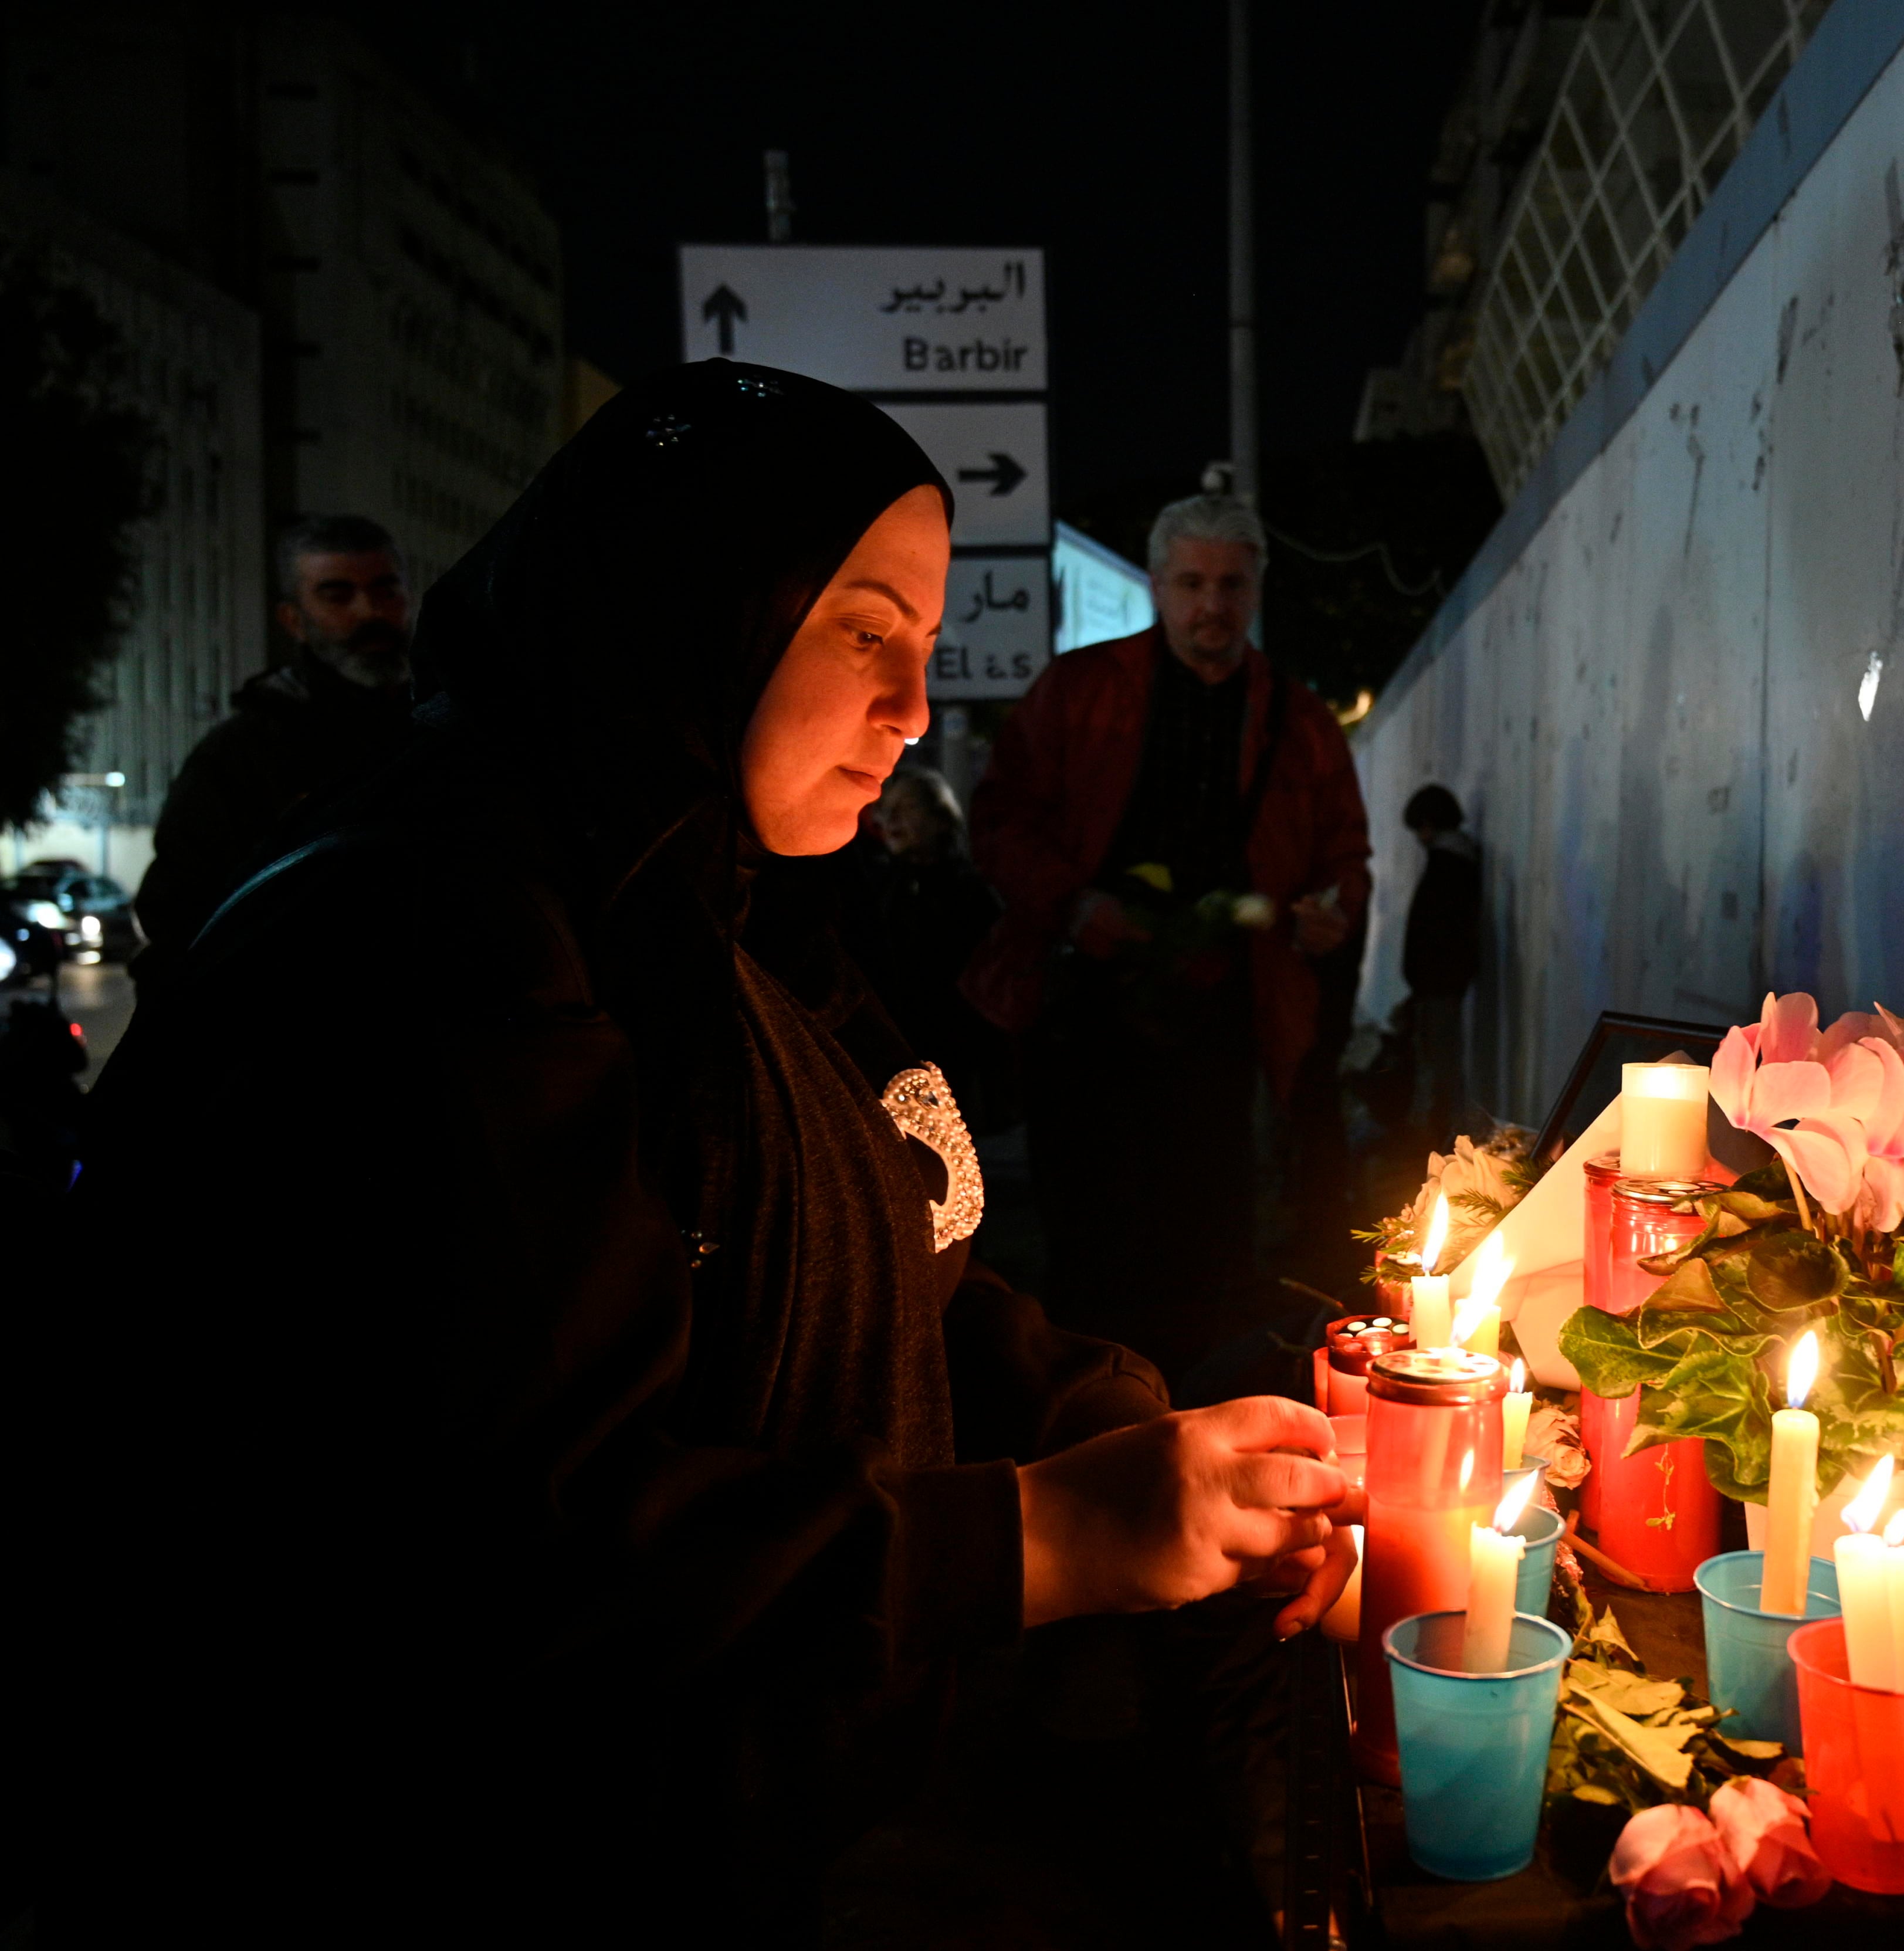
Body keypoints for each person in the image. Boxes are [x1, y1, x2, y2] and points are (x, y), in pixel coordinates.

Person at [66, 364, 1357, 1949]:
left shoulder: (723, 904)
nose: (906, 707)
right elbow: (515, 1544)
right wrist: (1043, 1534)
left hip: (758, 1822)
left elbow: (904, 1236)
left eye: (927, 649)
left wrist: (1159, 1443)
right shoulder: (443, 940)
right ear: (696, 604)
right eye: (861, 628)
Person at [964, 494, 1370, 1381]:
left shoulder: (1297, 721)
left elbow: (1345, 853)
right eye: (1192, 582)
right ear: (1157, 584)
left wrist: (1330, 906)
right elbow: (998, 821)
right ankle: (1086, 1422)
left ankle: (1184, 1416)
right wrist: (1072, 904)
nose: (1211, 604)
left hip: (1223, 1020)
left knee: (1206, 1241)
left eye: (1229, 582)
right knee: (1088, 1240)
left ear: (1258, 586)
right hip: (1085, 1014)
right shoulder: (1078, 692)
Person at [130, 513, 416, 986]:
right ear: (293, 619)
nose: (370, 612)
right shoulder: (241, 755)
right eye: (338, 595)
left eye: (386, 590)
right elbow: (178, 915)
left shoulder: (449, 728)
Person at [840, 767, 1016, 1132]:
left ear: (939, 819)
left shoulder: (971, 893)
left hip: (954, 1047)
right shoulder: (877, 887)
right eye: (887, 809)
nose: (891, 819)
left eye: (907, 808)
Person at [1399, 784, 1480, 1144]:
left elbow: (1434, 930)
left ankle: (1444, 1141)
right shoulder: (1459, 860)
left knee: (1441, 1065)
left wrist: (1420, 978)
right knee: (1444, 1063)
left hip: (1439, 983)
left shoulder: (1446, 864)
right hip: (1446, 981)